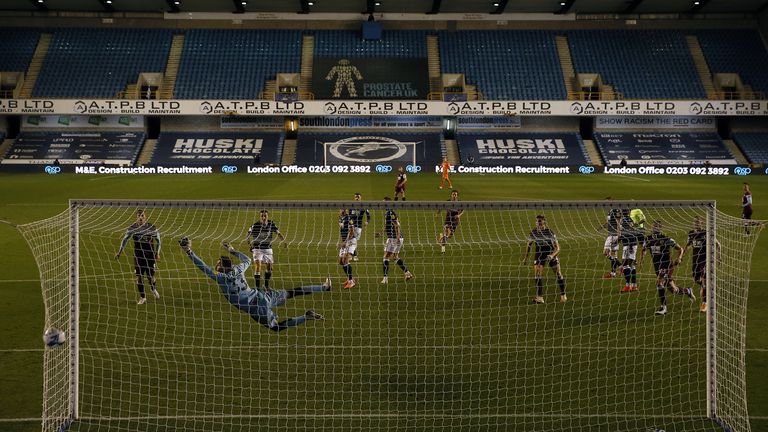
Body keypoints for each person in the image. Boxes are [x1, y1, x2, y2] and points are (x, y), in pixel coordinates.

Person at [179, 238, 327, 331]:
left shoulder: (221, 278)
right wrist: (232, 251)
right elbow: (247, 260)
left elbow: (203, 267)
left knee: (275, 327)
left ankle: (307, 317)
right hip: (261, 294)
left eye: (218, 265)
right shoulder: (238, 269)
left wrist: (189, 251)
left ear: (223, 268)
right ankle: (324, 287)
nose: (216, 266)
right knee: (291, 292)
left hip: (255, 307)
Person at [638, 221, 694, 315]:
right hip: (657, 267)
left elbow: (680, 249)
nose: (654, 228)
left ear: (660, 228)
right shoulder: (648, 239)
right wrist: (641, 259)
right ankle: (687, 291)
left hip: (667, 265)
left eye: (656, 226)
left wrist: (679, 258)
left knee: (659, 283)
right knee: (673, 290)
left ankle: (663, 308)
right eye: (653, 226)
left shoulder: (666, 239)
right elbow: (644, 249)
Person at [115, 209, 161, 304]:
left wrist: (157, 253)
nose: (140, 218)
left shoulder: (151, 227)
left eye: (142, 216)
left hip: (150, 255)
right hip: (138, 255)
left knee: (150, 277)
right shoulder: (132, 228)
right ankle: (142, 297)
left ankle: (153, 289)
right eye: (139, 216)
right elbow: (125, 240)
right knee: (139, 277)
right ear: (136, 217)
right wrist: (119, 252)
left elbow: (158, 241)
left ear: (146, 217)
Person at [678, 217, 719, 313]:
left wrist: (718, 256)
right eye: (695, 222)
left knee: (704, 281)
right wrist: (681, 256)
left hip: (704, 260)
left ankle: (705, 304)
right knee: (696, 279)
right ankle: (709, 289)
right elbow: (688, 245)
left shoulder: (706, 233)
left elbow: (717, 244)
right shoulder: (691, 233)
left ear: (702, 223)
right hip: (695, 260)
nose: (696, 224)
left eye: (698, 222)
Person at [523, 215, 566, 304]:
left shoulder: (550, 232)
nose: (538, 223)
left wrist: (552, 255)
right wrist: (525, 258)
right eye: (537, 221)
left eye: (540, 221)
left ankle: (563, 295)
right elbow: (529, 245)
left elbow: (557, 248)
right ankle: (540, 297)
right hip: (539, 253)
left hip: (550, 252)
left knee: (558, 273)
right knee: (537, 274)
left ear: (544, 222)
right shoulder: (533, 232)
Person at [244, 210, 285, 290]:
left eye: (265, 216)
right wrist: (250, 246)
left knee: (270, 268)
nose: (263, 217)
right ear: (260, 217)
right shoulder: (255, 225)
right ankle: (257, 288)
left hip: (268, 248)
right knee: (258, 266)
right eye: (262, 216)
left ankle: (266, 286)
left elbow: (278, 232)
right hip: (257, 249)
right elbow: (247, 235)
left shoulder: (271, 224)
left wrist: (283, 240)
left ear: (267, 216)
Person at [380, 197, 414, 283]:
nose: (382, 204)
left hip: (395, 238)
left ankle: (385, 278)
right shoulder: (387, 213)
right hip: (393, 237)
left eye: (383, 203)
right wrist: (381, 232)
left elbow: (396, 225)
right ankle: (407, 273)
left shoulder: (391, 212)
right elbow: (387, 225)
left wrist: (398, 236)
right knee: (395, 257)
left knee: (386, 257)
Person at [617, 208, 643, 293]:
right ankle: (634, 286)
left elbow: (626, 232)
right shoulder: (631, 220)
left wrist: (618, 240)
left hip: (629, 244)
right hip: (633, 243)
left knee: (625, 265)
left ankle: (628, 286)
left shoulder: (623, 221)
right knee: (632, 265)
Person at [601, 197, 621, 279]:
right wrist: (602, 226)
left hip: (613, 235)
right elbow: (609, 222)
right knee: (614, 255)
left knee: (605, 253)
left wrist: (619, 233)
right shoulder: (610, 211)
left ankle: (620, 266)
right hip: (612, 234)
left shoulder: (614, 210)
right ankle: (613, 274)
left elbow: (618, 221)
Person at [348, 192, 370, 262]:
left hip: (358, 226)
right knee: (351, 240)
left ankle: (353, 255)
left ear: (361, 198)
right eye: (356, 197)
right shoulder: (351, 206)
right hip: (351, 226)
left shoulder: (364, 206)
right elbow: (348, 216)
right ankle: (354, 255)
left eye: (358, 197)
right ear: (354, 198)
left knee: (354, 241)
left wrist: (367, 221)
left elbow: (368, 216)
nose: (357, 198)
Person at [338, 209, 356, 289]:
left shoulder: (349, 219)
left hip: (350, 241)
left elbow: (352, 231)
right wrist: (341, 241)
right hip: (344, 241)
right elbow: (342, 231)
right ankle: (350, 279)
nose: (340, 210)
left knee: (345, 260)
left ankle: (351, 281)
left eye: (342, 209)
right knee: (341, 262)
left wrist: (345, 242)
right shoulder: (340, 218)